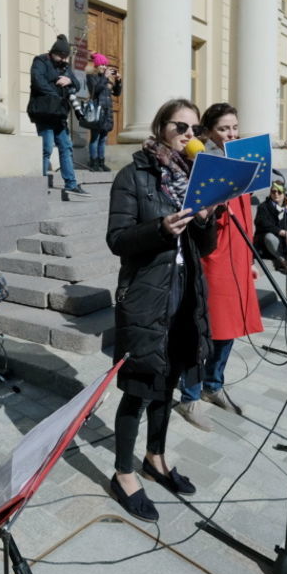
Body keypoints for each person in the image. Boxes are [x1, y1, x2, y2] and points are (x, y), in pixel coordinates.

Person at [106, 98, 217, 522]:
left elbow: (205, 249)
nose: (189, 135)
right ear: (159, 127)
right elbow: (117, 239)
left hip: (185, 294)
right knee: (138, 387)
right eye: (180, 127)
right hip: (145, 297)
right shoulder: (133, 175)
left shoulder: (195, 180)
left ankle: (155, 458)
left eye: (194, 129)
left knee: (167, 382)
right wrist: (159, 229)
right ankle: (123, 473)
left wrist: (206, 218)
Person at [175, 103, 261, 431]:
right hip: (214, 256)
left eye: (235, 128)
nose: (231, 134)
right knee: (207, 328)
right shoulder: (200, 160)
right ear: (209, 130)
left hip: (239, 253)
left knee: (233, 325)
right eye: (224, 129)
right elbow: (195, 210)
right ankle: (190, 396)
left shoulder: (240, 159)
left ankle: (214, 384)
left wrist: (250, 258)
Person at [27, 34, 88, 196]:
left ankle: (71, 184)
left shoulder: (65, 67)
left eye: (65, 57)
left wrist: (69, 81)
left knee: (66, 148)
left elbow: (76, 83)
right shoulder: (40, 61)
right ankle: (39, 184)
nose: (62, 59)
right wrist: (56, 91)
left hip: (59, 114)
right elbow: (38, 82)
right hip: (44, 112)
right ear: (53, 52)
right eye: (60, 55)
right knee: (46, 148)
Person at [85, 53, 121, 172]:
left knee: (103, 138)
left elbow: (116, 93)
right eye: (102, 65)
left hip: (107, 111)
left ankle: (101, 162)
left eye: (105, 65)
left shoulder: (106, 79)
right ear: (96, 65)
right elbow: (95, 91)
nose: (104, 67)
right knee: (95, 137)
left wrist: (118, 81)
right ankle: (93, 162)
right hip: (97, 110)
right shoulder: (91, 77)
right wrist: (105, 78)